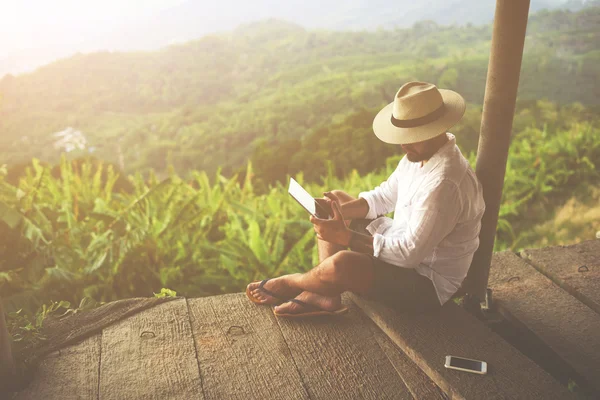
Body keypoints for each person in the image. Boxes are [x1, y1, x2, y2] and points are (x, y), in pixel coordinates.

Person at [246, 81, 485, 317]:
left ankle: (295, 283)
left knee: (342, 264)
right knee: (338, 201)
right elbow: (382, 197)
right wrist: (339, 211)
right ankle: (325, 294)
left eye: (413, 136)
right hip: (401, 247)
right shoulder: (419, 156)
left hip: (424, 284)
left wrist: (345, 236)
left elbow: (408, 255)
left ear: (436, 130)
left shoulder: (444, 185)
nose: (403, 145)